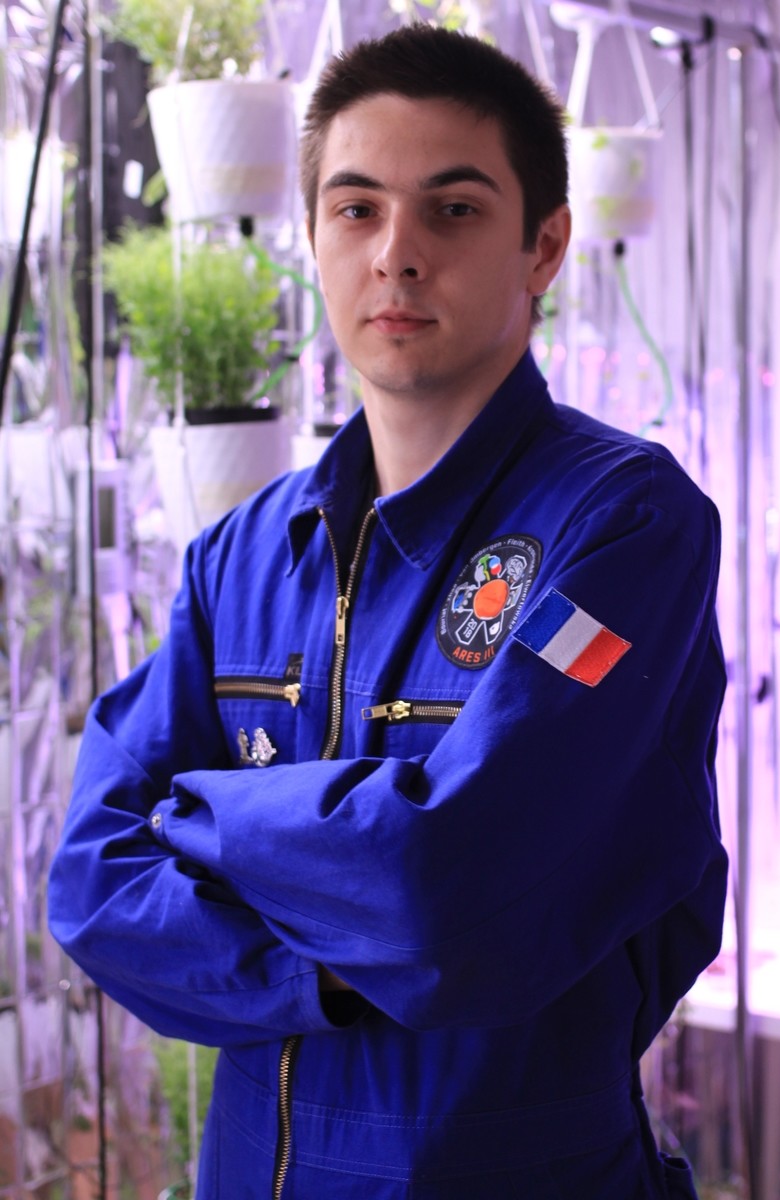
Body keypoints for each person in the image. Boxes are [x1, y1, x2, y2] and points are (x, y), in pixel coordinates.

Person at [49, 23, 728, 1200]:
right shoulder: (243, 554)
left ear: (544, 245)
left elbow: (444, 887)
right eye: (356, 209)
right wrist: (330, 966)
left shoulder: (624, 527)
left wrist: (200, 813)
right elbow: (92, 883)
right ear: (313, 237)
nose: (396, 254)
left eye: (453, 210)